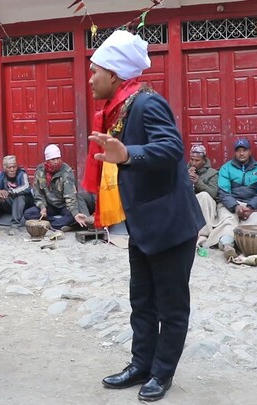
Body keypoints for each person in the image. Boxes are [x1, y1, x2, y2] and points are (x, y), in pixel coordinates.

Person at [86, 30, 204, 402]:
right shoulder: (121, 106)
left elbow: (171, 147)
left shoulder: (147, 103)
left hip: (169, 224)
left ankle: (161, 373)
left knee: (170, 305)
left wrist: (128, 155)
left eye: (95, 71)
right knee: (142, 300)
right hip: (143, 224)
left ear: (115, 75)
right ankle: (140, 364)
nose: (90, 79)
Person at [204, 138, 257, 259]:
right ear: (235, 152)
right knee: (228, 221)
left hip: (252, 204)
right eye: (238, 150)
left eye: (244, 150)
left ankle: (250, 247)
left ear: (249, 151)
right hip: (231, 204)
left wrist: (250, 207)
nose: (241, 153)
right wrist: (235, 207)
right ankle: (227, 245)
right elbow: (223, 192)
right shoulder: (226, 168)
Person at [23, 144, 92, 231]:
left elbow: (70, 196)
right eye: (53, 159)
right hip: (49, 206)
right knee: (28, 214)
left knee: (75, 215)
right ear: (47, 160)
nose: (56, 162)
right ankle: (58, 224)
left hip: (64, 206)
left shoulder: (66, 171)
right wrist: (42, 207)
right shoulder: (40, 171)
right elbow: (38, 194)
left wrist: (75, 213)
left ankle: (51, 224)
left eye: (58, 158)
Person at [0, 155, 32, 235]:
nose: (12, 170)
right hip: (10, 203)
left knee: (19, 197)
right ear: (4, 168)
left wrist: (10, 191)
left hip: (24, 204)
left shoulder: (22, 174)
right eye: (9, 168)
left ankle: (14, 226)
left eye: (14, 167)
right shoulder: (0, 174)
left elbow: (26, 187)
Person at [187, 144, 218, 247]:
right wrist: (185, 179)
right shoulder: (183, 170)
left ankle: (203, 234)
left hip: (206, 204)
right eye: (192, 160)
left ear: (204, 160)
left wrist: (198, 182)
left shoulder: (212, 173)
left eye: (197, 160)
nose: (193, 163)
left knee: (204, 195)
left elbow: (213, 193)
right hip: (188, 202)